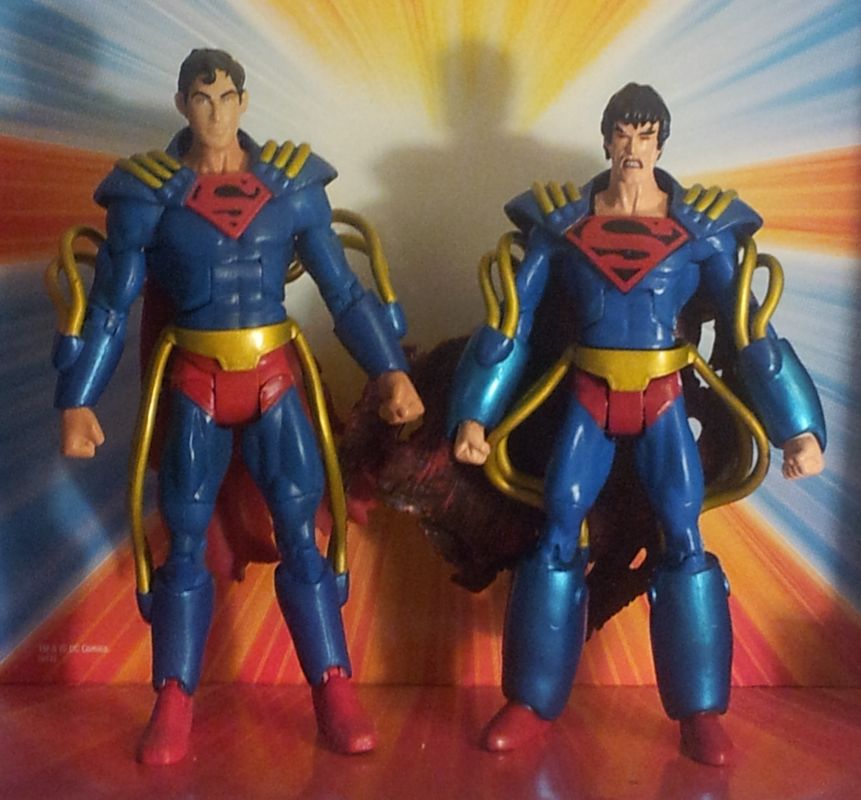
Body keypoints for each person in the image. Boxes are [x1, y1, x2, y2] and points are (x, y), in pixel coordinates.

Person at [51, 48, 423, 765]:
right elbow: (109, 307)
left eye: (226, 97)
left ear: (244, 102)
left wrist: (390, 371)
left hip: (273, 379)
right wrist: (78, 399)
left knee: (301, 533)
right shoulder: (148, 194)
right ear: (182, 104)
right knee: (184, 539)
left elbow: (345, 294)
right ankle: (174, 698)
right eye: (202, 98)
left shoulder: (291, 185)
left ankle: (334, 688)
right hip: (194, 380)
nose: (215, 112)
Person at [449, 82, 825, 765]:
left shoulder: (702, 229)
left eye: (645, 135)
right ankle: (530, 701)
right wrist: (473, 415)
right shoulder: (560, 224)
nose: (632, 147)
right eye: (622, 133)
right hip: (586, 395)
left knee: (682, 529)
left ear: (660, 143)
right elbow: (510, 325)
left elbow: (750, 333)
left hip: (664, 398)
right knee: (559, 524)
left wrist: (797, 428)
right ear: (605, 139)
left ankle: (700, 712)